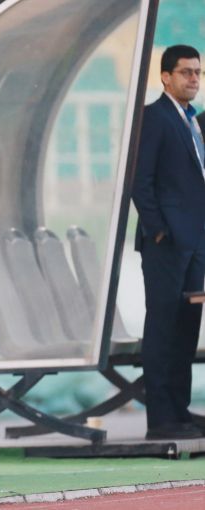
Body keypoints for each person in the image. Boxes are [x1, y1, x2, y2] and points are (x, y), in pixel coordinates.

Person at [132, 44, 205, 440]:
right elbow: (139, 179)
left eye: (198, 72)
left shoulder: (193, 120)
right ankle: (160, 419)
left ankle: (180, 411)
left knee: (186, 330)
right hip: (167, 244)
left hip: (195, 244)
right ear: (165, 77)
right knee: (162, 328)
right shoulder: (155, 117)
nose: (193, 79)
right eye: (185, 72)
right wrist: (159, 230)